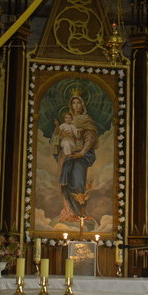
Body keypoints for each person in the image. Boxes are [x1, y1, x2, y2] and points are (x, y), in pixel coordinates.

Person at [58, 93, 97, 222]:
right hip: (68, 155)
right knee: (66, 183)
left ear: (83, 105)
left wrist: (82, 152)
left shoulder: (86, 120)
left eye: (78, 102)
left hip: (80, 157)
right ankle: (70, 212)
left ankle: (81, 214)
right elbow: (58, 136)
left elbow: (90, 138)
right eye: (73, 103)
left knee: (78, 183)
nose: (76, 105)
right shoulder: (68, 120)